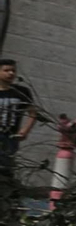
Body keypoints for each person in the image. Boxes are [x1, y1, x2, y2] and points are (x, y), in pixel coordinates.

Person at [0, 58, 38, 203]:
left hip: (9, 137)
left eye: (13, 71)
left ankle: (6, 201)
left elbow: (33, 113)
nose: (10, 73)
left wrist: (25, 131)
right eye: (6, 70)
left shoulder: (20, 92)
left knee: (6, 168)